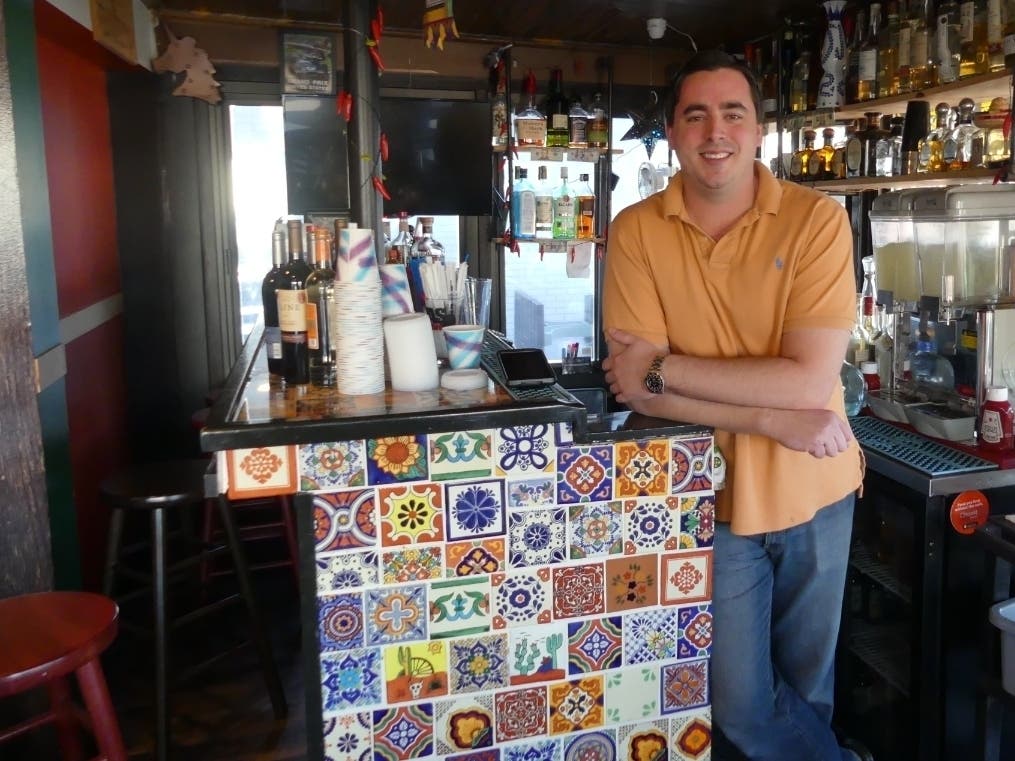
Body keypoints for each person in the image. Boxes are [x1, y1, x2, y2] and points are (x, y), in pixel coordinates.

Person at [602, 50, 869, 761]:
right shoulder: (636, 229)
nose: (714, 131)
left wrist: (665, 368)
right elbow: (635, 392)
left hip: (814, 489)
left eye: (732, 113)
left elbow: (807, 385)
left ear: (758, 129)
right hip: (705, 494)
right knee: (740, 705)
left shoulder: (816, 221)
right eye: (695, 115)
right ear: (671, 132)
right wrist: (767, 416)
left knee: (805, 693)